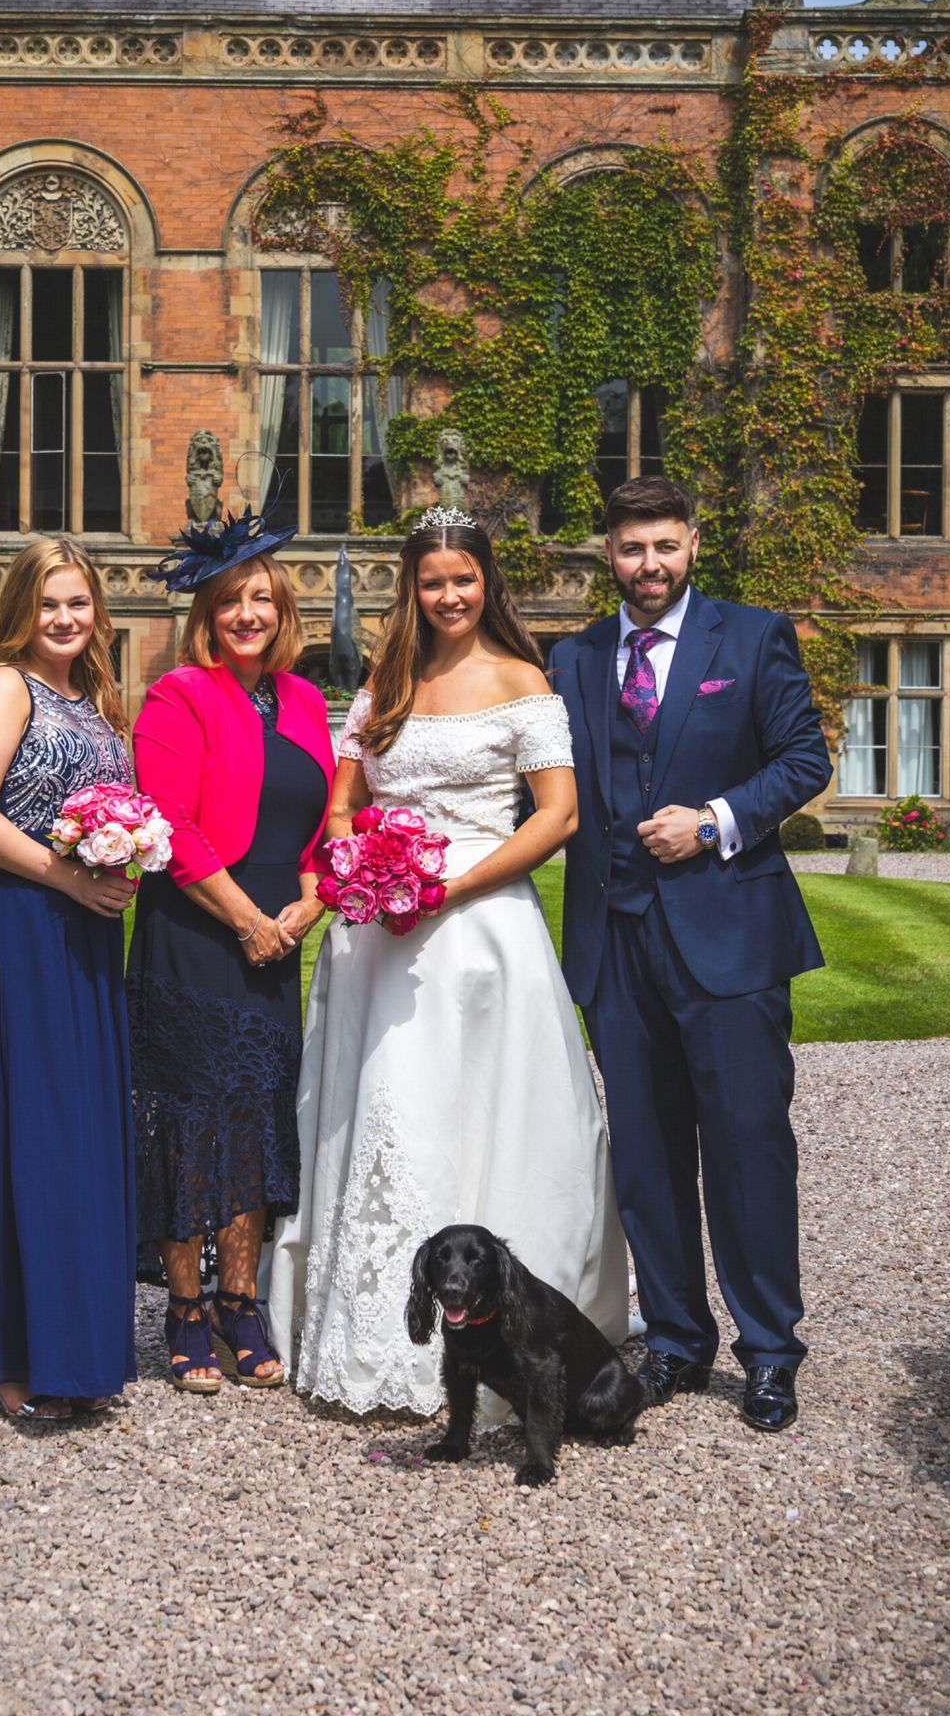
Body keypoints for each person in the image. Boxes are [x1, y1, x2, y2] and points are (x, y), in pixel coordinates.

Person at [269, 507, 630, 1416]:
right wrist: (365, 866)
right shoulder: (383, 687)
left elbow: (557, 817)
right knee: (388, 1110)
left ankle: (518, 1344)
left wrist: (448, 887)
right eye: (432, 581)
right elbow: (345, 803)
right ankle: (372, 1333)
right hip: (378, 942)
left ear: (486, 582)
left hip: (481, 932)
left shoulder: (523, 681)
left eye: (463, 579)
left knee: (486, 1110)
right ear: (413, 589)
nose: (449, 595)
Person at [550, 476, 833, 1433]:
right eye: (632, 549)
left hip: (731, 938)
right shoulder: (573, 659)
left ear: (694, 544)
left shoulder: (751, 638)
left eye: (664, 546)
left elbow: (804, 759)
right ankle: (675, 1337)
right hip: (614, 941)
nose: (649, 565)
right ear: (609, 555)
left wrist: (714, 822)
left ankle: (769, 1352)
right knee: (646, 1153)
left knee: (749, 1146)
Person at [129, 509, 335, 1393]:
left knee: (256, 1119)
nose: (247, 613)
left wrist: (307, 907)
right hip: (195, 933)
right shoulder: (178, 694)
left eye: (262, 597)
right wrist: (248, 918)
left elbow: (330, 826)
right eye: (229, 601)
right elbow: (170, 828)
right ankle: (184, 1307)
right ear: (206, 615)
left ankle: (240, 1300)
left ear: (283, 610)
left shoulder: (307, 699)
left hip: (277, 940)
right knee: (188, 1121)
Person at [0, 537, 139, 1422]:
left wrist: (127, 859)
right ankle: (6, 1357)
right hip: (14, 929)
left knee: (80, 1137)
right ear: (21, 609)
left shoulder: (94, 699)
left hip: (82, 937)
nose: (66, 619)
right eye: (50, 603)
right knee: (23, 1135)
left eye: (79, 604)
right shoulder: (5, 686)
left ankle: (76, 1350)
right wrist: (68, 878)